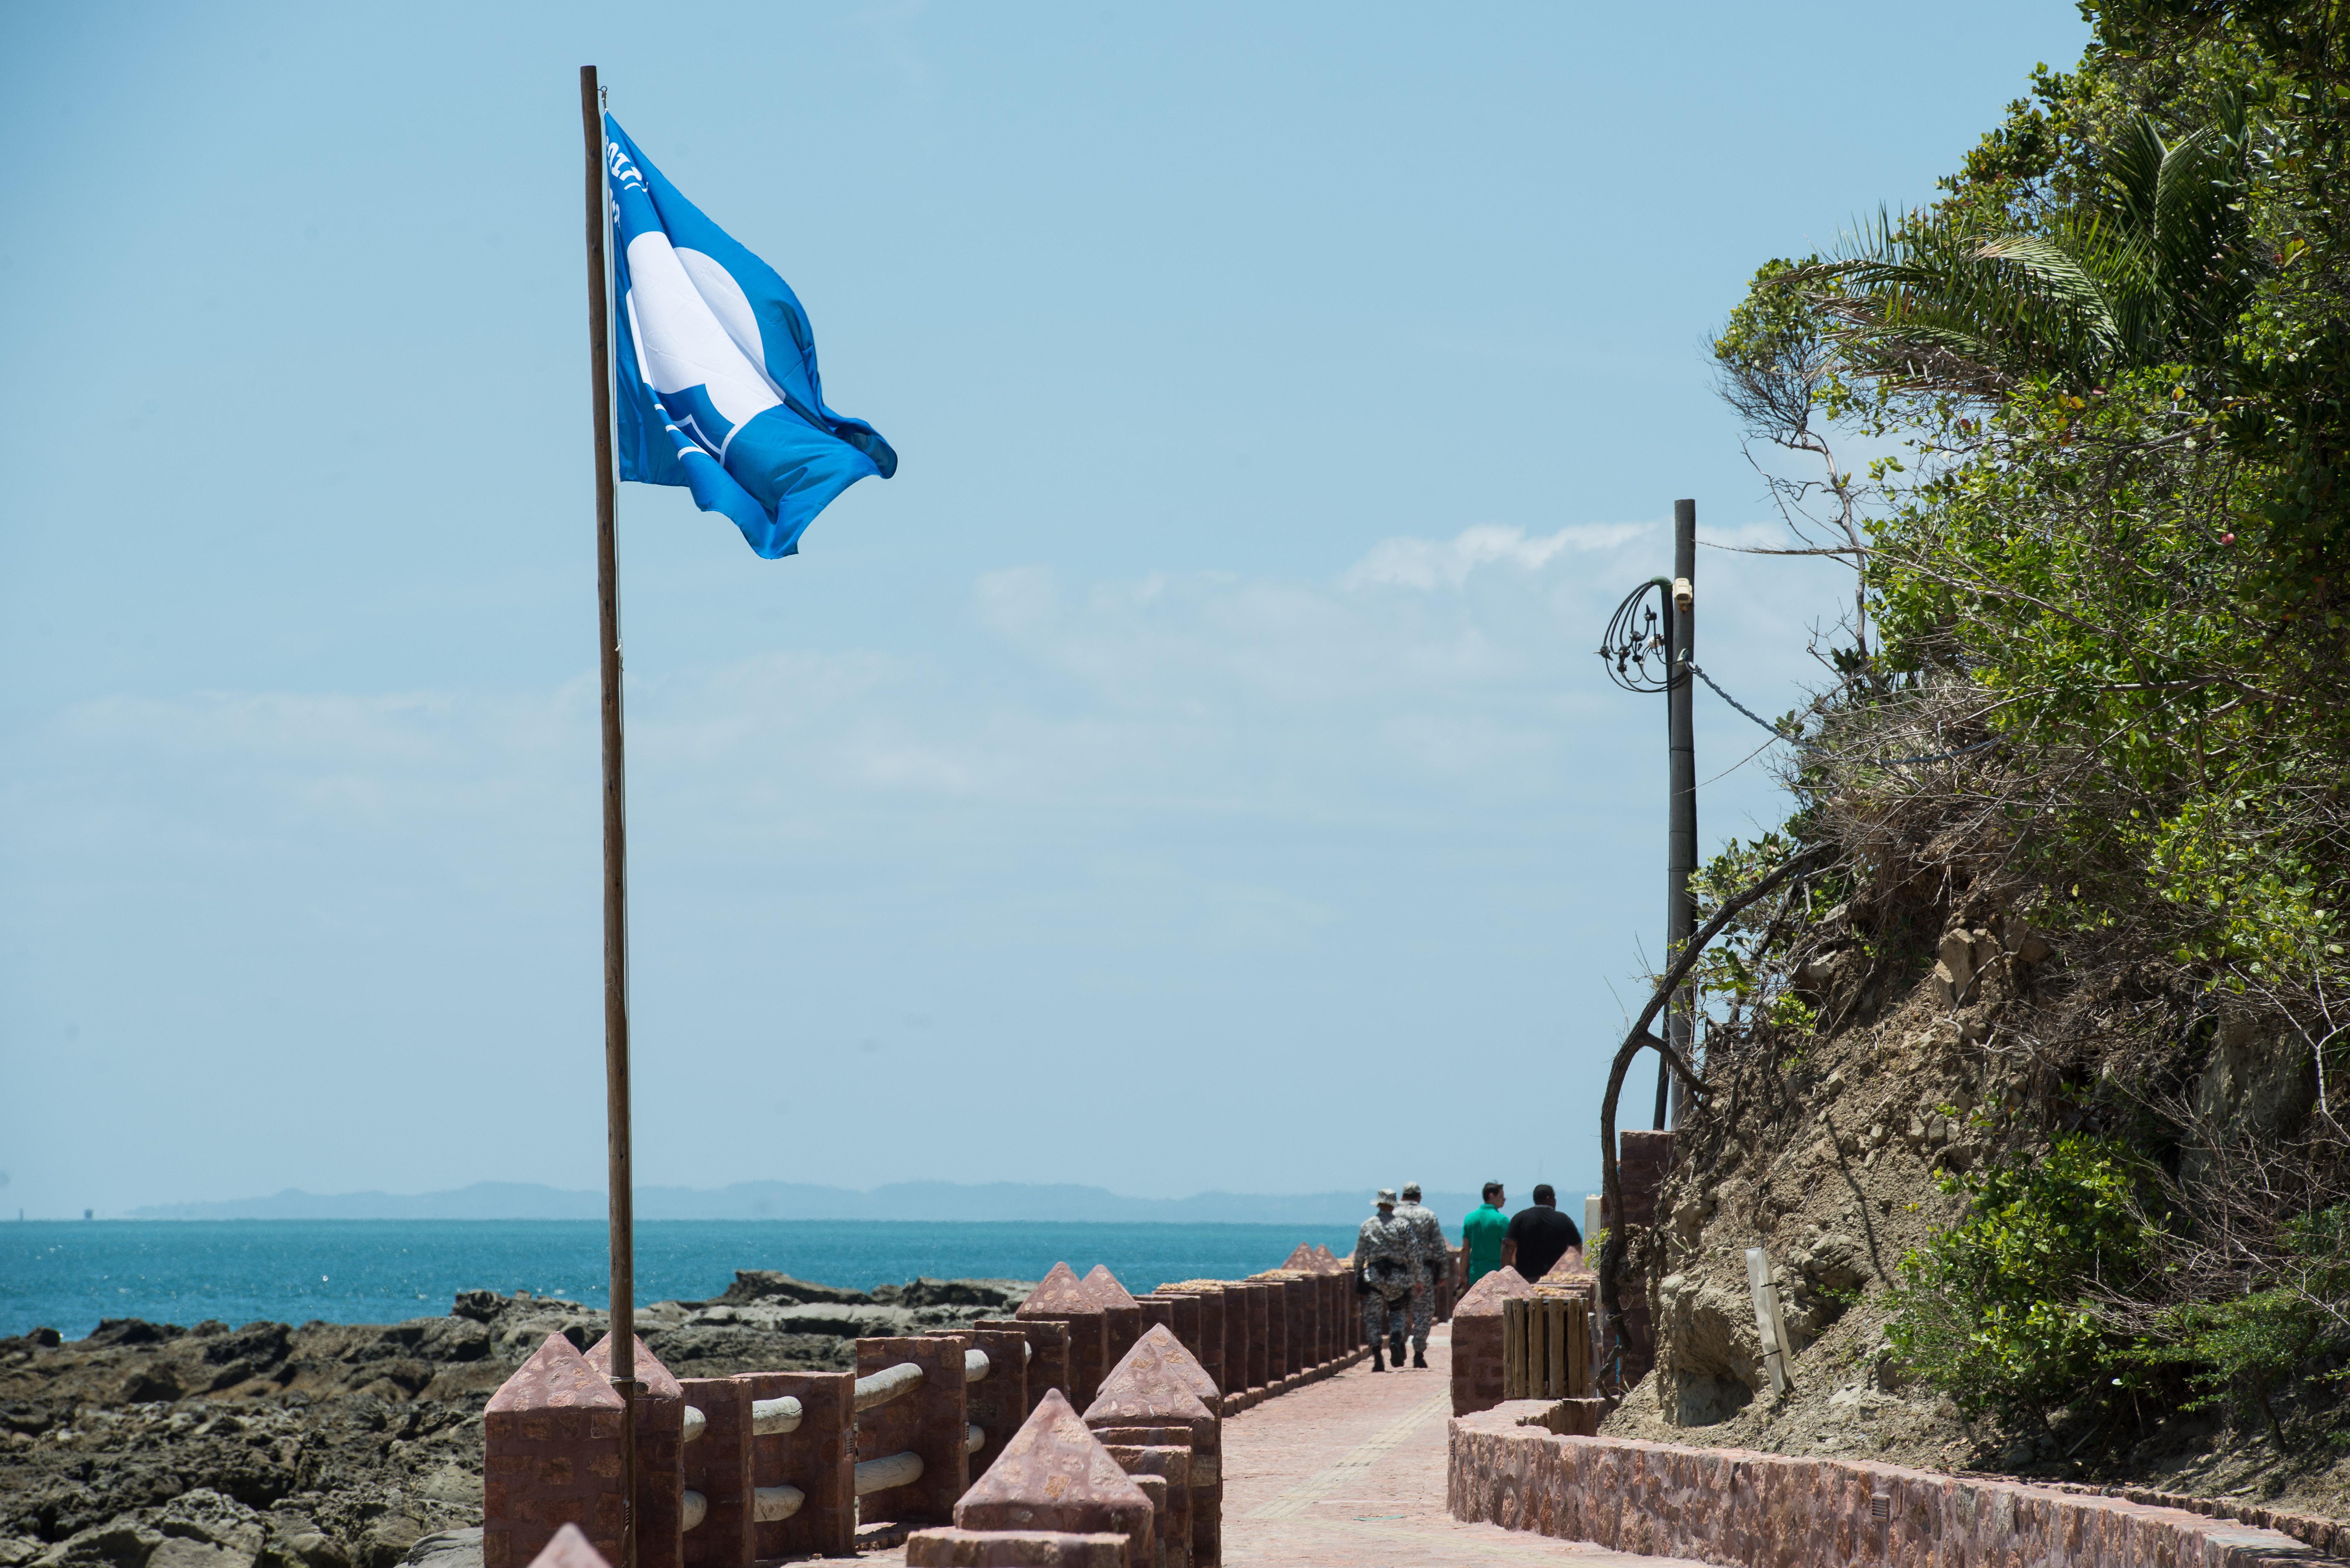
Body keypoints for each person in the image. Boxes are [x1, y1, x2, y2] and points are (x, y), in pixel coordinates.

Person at [1353, 1187, 1424, 1372]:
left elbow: (1360, 1255)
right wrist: (1418, 1279)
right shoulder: (1402, 1225)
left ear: (1378, 1204)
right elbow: (1414, 1253)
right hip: (1398, 1279)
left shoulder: (1368, 1225)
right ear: (1393, 1205)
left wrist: (1358, 1277)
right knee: (1397, 1313)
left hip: (1375, 1278)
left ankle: (1377, 1357)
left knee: (1373, 1318)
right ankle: (1394, 1338)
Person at [1393, 1181, 1447, 1368]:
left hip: (1397, 1271)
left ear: (1403, 1196)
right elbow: (1439, 1246)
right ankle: (1418, 1353)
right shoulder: (1428, 1215)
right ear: (1419, 1197)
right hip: (1422, 1271)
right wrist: (1443, 1272)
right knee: (1424, 1312)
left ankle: (1398, 1339)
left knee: (1399, 1309)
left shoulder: (1392, 1215)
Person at [1501, 1183, 1583, 1282]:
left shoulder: (1520, 1218)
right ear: (1549, 1199)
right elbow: (1577, 1248)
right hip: (1556, 1281)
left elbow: (1508, 1247)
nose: (1556, 1201)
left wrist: (1505, 1273)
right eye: (1554, 1198)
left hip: (1526, 1280)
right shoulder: (1564, 1219)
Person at [1461, 1182, 1509, 1290]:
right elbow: (1509, 1249)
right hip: (1497, 1274)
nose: (1504, 1199)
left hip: (1476, 1274)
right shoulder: (1502, 1221)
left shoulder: (1470, 1219)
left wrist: (1462, 1275)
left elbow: (1465, 1250)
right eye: (1501, 1196)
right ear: (1492, 1196)